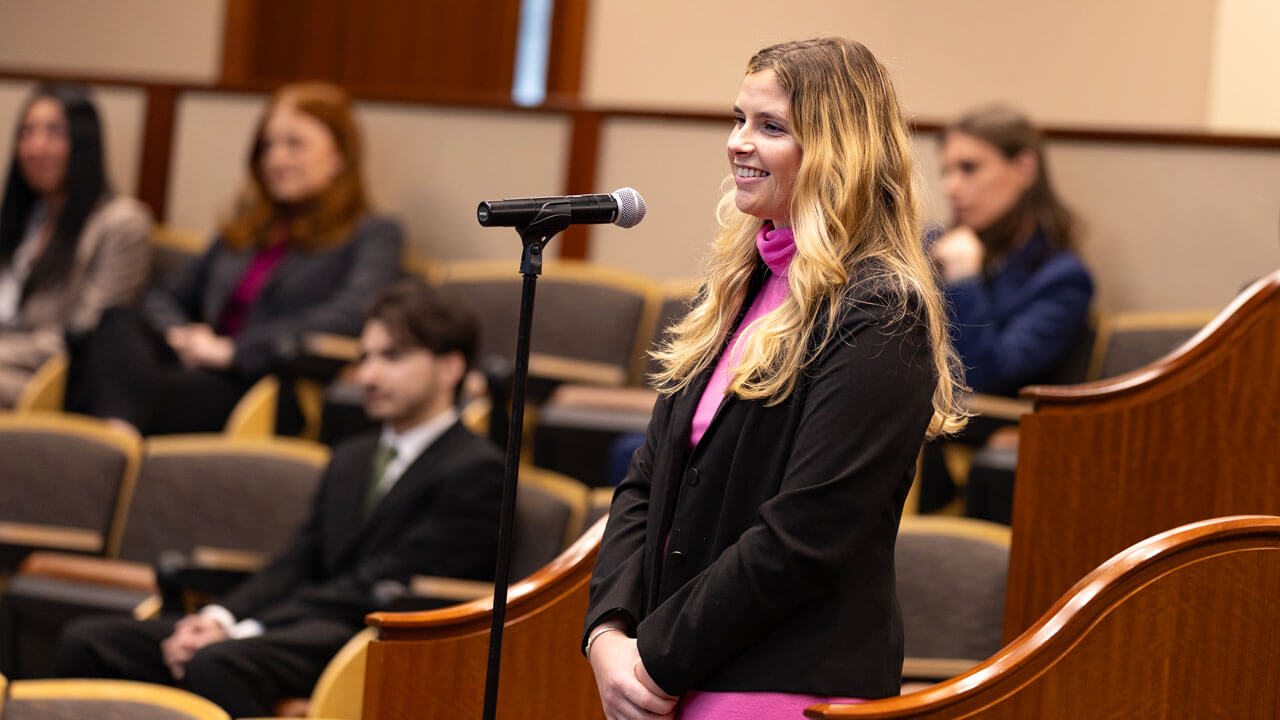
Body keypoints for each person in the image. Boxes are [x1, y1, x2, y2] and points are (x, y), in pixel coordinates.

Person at [582, 38, 966, 720]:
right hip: (676, 668)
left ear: (836, 151)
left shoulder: (880, 308)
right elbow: (646, 481)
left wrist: (656, 657)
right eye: (738, 119)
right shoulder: (738, 286)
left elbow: (806, 534)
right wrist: (609, 633)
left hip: (785, 683)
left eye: (770, 127)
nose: (738, 143)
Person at [56, 277, 505, 717]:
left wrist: (247, 628)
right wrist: (219, 617)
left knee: (217, 662)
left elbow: (387, 584)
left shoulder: (475, 468)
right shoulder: (351, 456)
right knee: (90, 642)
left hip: (378, 637)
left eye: (392, 356)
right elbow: (298, 560)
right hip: (303, 625)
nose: (368, 375)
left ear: (450, 367)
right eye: (364, 357)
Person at [66, 81, 401, 434]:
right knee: (116, 320)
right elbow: (163, 296)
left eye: (294, 144)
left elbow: (351, 315)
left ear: (339, 157)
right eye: (268, 145)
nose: (276, 158)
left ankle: (115, 440)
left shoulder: (373, 232)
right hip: (191, 362)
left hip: (256, 380)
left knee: (119, 386)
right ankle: (122, 432)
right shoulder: (246, 227)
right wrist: (183, 336)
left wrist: (234, 351)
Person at [917, 106, 1094, 513]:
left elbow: (989, 375)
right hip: (930, 416)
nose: (952, 187)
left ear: (1023, 168)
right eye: (946, 171)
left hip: (986, 429)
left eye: (969, 168)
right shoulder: (938, 246)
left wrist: (963, 281)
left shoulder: (1063, 278)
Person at [0, 84, 151, 407]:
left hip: (54, 380)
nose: (36, 147)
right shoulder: (24, 215)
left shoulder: (121, 224)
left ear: (84, 143)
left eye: (55, 132)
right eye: (27, 132)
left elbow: (82, 336)